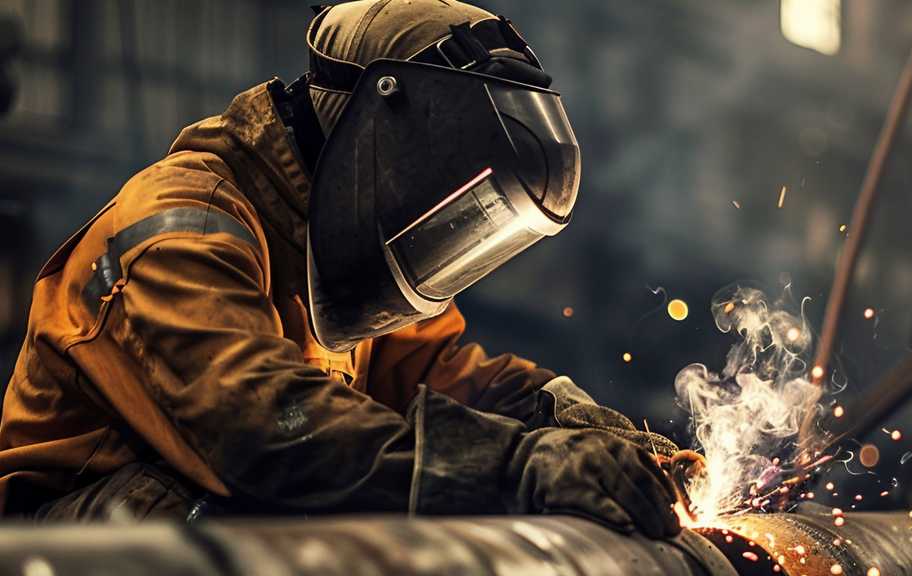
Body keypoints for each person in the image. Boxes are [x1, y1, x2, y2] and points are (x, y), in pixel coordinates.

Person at [0, 0, 680, 538]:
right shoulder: (186, 224)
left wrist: (567, 419)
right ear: (379, 139)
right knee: (291, 510)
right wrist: (518, 466)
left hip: (184, 556)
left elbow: (437, 379)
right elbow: (265, 430)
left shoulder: (343, 250)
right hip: (63, 562)